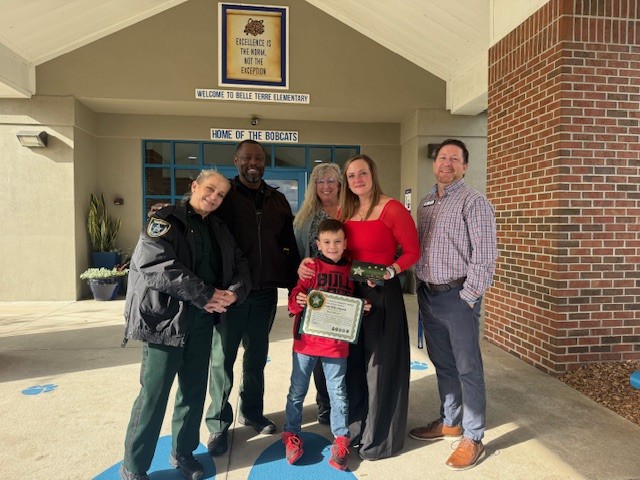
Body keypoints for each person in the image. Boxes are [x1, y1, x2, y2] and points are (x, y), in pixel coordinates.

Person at [120, 170, 250, 480]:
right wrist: (206, 294)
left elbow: (240, 263)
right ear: (194, 186)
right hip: (164, 322)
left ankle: (184, 452)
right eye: (210, 189)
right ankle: (134, 466)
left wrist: (232, 294)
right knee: (154, 395)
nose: (214, 197)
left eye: (220, 194)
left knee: (192, 392)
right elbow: (155, 265)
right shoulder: (164, 219)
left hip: (203, 322)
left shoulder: (219, 228)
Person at [299, 154, 419, 460]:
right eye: (351, 176)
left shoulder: (391, 208)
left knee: (378, 366)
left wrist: (392, 270)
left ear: (372, 174)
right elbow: (333, 247)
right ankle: (354, 426)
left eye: (362, 173)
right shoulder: (345, 210)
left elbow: (413, 250)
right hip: (350, 294)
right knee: (351, 364)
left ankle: (378, 436)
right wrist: (311, 263)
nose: (357, 180)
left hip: (381, 292)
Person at [205, 139, 300, 456]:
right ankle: (218, 424)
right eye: (247, 157)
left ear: (265, 161)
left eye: (258, 157)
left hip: (265, 294)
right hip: (231, 294)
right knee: (223, 361)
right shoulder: (224, 197)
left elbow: (287, 246)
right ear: (236, 160)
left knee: (256, 358)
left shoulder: (277, 200)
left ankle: (252, 413)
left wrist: (293, 285)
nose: (253, 162)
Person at [409, 139, 497, 471]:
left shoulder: (475, 202)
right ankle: (450, 422)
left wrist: (468, 297)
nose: (447, 163)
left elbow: (486, 256)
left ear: (464, 166)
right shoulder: (427, 202)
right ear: (434, 164)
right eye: (442, 157)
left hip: (457, 297)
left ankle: (473, 437)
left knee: (467, 368)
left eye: (454, 159)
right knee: (443, 364)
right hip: (428, 296)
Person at [283, 218, 369, 471]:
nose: (332, 246)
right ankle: (291, 434)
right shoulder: (310, 268)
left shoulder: (352, 270)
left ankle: (341, 439)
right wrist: (297, 300)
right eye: (327, 242)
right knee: (297, 391)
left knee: (338, 393)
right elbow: (293, 302)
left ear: (346, 244)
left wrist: (361, 308)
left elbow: (357, 301)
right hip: (306, 343)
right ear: (318, 243)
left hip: (335, 344)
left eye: (338, 242)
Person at [292, 162, 342, 425]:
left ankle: (346, 400)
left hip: (347, 287)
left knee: (345, 348)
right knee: (321, 351)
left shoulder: (352, 211)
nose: (325, 186)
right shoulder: (304, 218)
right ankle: (325, 402)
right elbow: (299, 255)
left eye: (331, 180)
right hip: (318, 294)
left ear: (340, 184)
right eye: (320, 181)